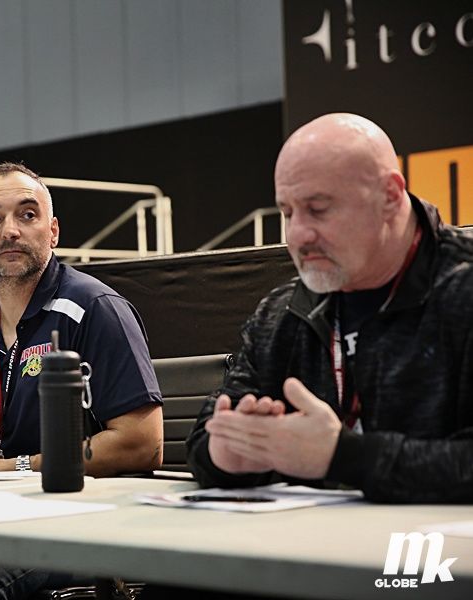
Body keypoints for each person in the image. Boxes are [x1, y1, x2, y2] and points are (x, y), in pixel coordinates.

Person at [186, 113, 473, 503]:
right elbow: (208, 432)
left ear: (390, 195)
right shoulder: (283, 311)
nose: (297, 234)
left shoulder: (461, 287)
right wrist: (226, 456)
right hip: (316, 538)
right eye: (287, 213)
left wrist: (342, 457)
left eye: (318, 209)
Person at [0, 162, 163, 599]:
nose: (10, 230)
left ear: (53, 232)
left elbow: (143, 443)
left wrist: (19, 466)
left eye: (27, 215)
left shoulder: (95, 307)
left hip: (82, 516)